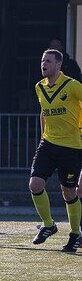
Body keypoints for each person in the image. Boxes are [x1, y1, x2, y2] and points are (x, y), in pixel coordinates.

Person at [29, 49, 82, 253]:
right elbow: (44, 112)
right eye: (42, 60)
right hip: (49, 144)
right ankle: (48, 224)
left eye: (48, 61)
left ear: (58, 64)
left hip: (71, 147)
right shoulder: (39, 87)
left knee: (69, 192)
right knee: (35, 184)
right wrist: (43, 136)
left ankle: (75, 234)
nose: (44, 64)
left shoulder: (73, 85)